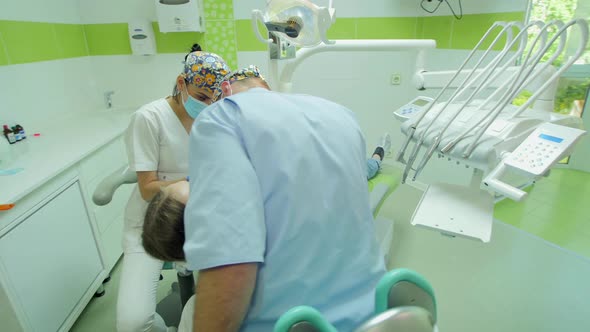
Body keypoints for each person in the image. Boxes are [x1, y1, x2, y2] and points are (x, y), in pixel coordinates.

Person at [179, 65, 386, 331]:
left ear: (225, 92)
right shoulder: (341, 114)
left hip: (287, 323)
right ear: (267, 89)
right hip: (372, 316)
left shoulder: (222, 119)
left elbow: (231, 263)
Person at [118, 45, 230, 332]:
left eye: (213, 99)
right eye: (201, 97)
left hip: (201, 223)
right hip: (151, 224)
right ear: (182, 83)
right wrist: (196, 186)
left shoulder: (215, 116)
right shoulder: (149, 118)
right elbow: (146, 188)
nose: (206, 105)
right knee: (132, 324)